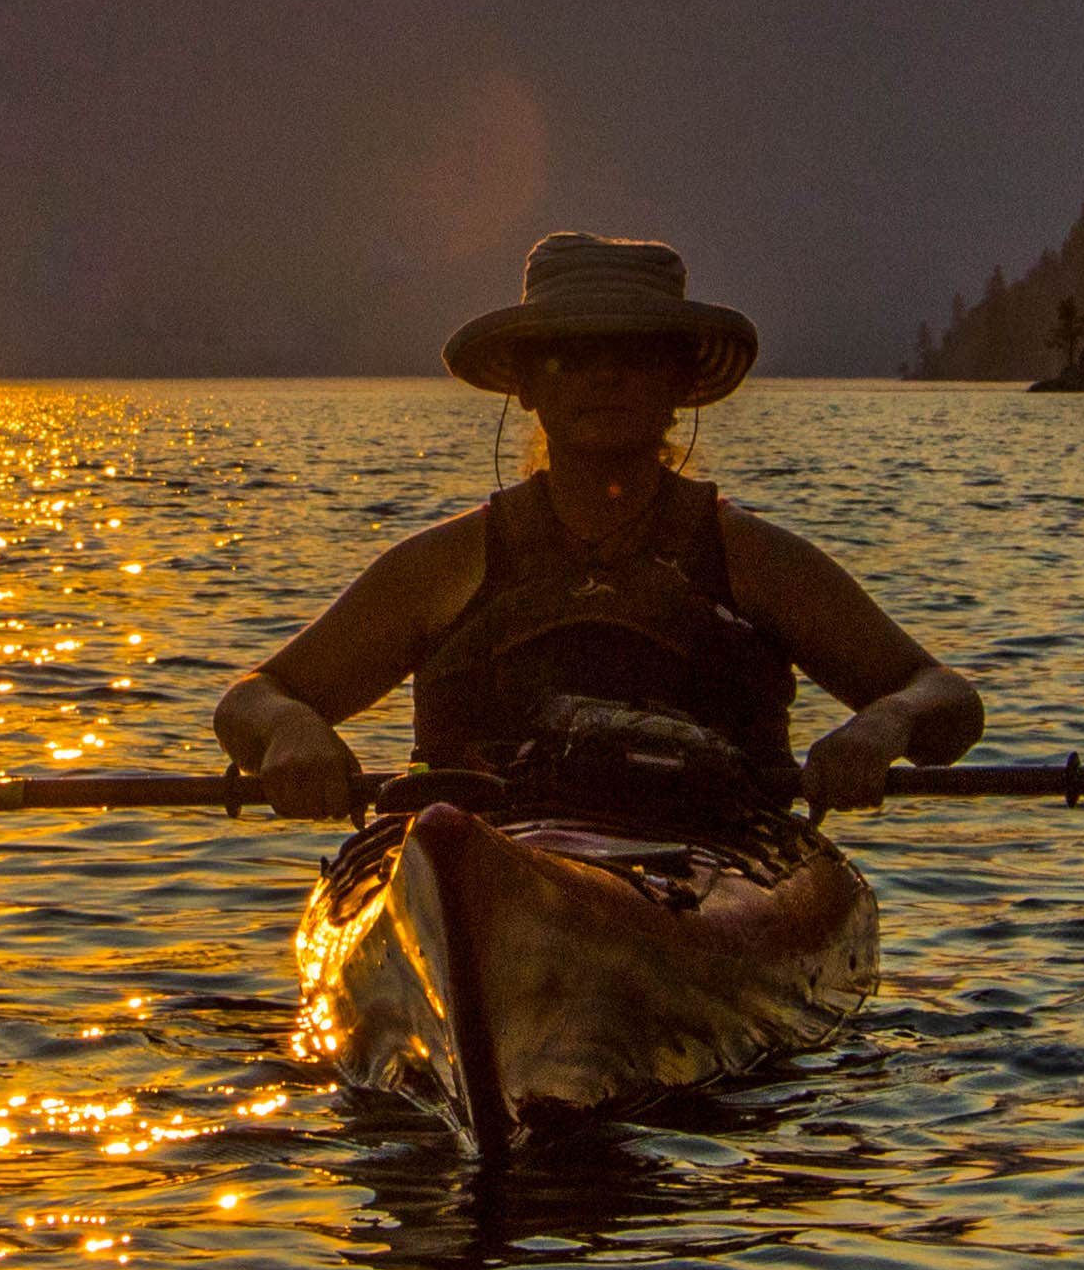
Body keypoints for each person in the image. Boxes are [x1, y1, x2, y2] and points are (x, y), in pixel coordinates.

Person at [216, 230, 983, 839]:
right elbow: (252, 696)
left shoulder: (749, 559)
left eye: (635, 351)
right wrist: (290, 726)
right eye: (571, 353)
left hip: (706, 874)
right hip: (482, 864)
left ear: (680, 381)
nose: (603, 375)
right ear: (527, 383)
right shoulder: (450, 563)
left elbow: (944, 695)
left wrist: (884, 723)